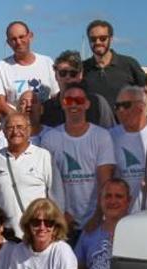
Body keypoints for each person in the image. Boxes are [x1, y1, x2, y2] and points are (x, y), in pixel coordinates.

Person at [0, 112, 63, 236]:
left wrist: (57, 230)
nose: (15, 131)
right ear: (3, 132)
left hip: (38, 235)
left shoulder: (44, 156)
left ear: (29, 129)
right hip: (8, 238)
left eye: (20, 127)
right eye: (10, 128)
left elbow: (57, 199)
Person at [40, 83, 115, 241]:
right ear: (63, 103)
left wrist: (97, 216)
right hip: (62, 221)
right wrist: (60, 214)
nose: (74, 104)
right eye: (69, 100)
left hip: (96, 220)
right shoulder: (50, 139)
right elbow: (47, 183)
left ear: (87, 104)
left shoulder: (101, 136)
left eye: (79, 100)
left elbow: (106, 181)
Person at [41, 50, 115, 129]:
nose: (68, 77)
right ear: (56, 75)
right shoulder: (46, 109)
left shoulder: (97, 104)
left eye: (73, 73)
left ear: (80, 75)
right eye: (63, 73)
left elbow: (111, 134)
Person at [82, 19, 146, 109]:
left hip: (125, 122)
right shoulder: (82, 69)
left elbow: (146, 94)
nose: (98, 42)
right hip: (92, 122)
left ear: (111, 39)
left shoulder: (129, 65)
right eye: (93, 39)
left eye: (102, 38)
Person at [0, 21, 59, 110]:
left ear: (30, 36)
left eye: (21, 37)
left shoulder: (47, 62)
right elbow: (0, 103)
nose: (18, 42)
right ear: (8, 42)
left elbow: (55, 95)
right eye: (13, 39)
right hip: (15, 122)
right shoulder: (1, 67)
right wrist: (20, 120)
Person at [110, 85, 147, 211]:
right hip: (124, 216)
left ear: (141, 106)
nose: (120, 110)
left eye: (126, 105)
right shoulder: (109, 136)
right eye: (117, 106)